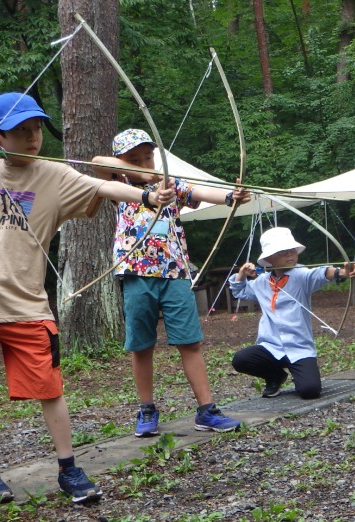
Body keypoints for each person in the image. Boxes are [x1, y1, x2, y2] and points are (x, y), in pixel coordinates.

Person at [0, 92, 175, 505]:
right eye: (22, 130)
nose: (34, 137)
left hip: (27, 307)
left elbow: (102, 185)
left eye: (36, 128)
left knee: (49, 388)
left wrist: (147, 196)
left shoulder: (52, 175)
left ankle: (68, 468)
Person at [90, 129, 250, 438]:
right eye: (134, 158)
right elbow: (96, 163)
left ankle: (207, 410)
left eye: (148, 157)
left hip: (175, 274)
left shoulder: (170, 184)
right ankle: (147, 409)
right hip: (136, 276)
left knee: (189, 342)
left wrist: (231, 196)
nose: (144, 163)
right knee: (141, 345)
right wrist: (137, 174)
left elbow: (202, 193)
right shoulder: (118, 185)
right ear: (121, 163)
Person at [229, 227, 355, 399]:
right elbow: (240, 292)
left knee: (310, 390)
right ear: (269, 259)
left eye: (292, 251)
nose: (290, 255)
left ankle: (296, 375)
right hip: (271, 347)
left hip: (299, 348)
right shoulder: (261, 282)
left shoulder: (301, 275)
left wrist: (342, 272)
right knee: (240, 359)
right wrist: (241, 275)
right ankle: (275, 376)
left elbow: (321, 273)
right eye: (283, 252)